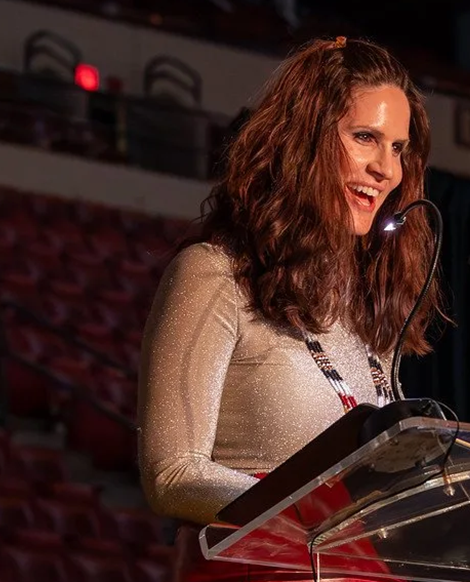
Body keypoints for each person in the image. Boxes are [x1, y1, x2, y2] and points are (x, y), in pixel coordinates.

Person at [136, 35, 442, 582]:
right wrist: (318, 508)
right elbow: (172, 475)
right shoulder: (214, 274)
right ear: (304, 142)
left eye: (399, 148)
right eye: (365, 138)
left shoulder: (369, 304)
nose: (386, 170)